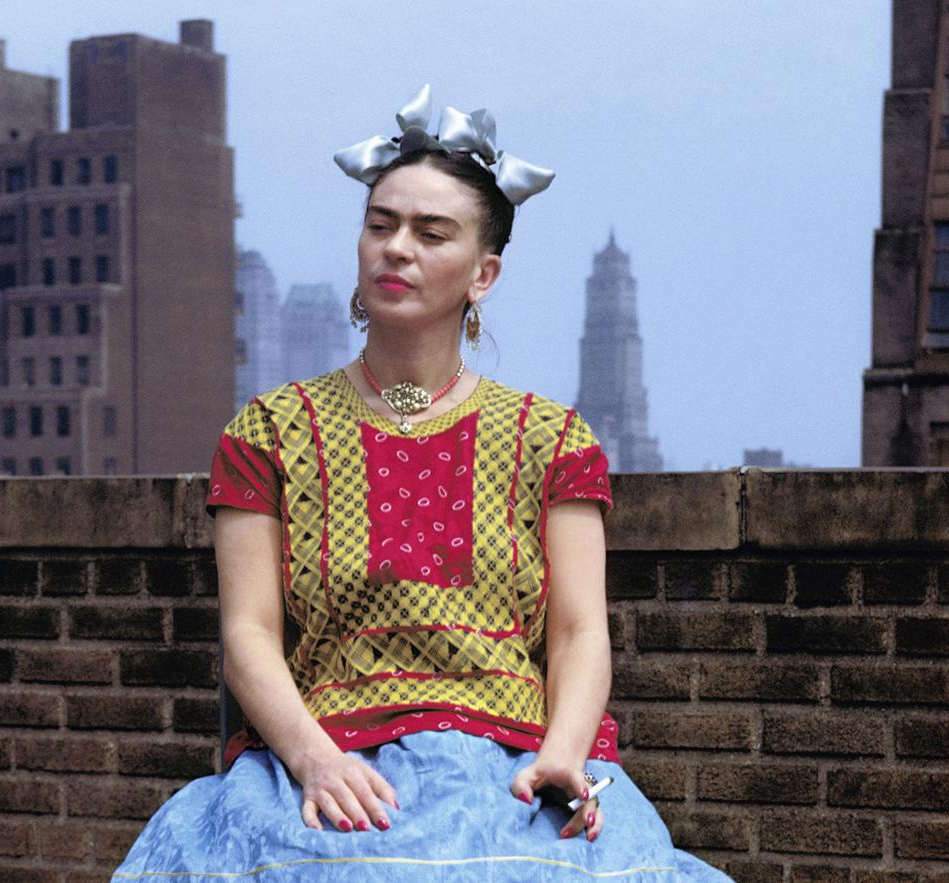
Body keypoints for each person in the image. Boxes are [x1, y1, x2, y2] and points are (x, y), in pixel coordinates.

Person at [111, 85, 733, 882]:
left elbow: (580, 632)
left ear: (484, 272)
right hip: (333, 761)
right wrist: (316, 761)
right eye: (381, 224)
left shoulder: (552, 438)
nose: (395, 248)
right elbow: (251, 635)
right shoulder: (267, 433)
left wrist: (563, 757)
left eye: (430, 233)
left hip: (516, 768)